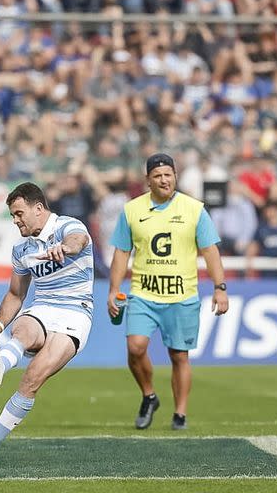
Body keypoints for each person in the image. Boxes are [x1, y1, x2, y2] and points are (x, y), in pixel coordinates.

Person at [0, 182, 94, 467]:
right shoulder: (21, 249)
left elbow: (79, 241)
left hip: (76, 313)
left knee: (32, 379)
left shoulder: (67, 226)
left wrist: (64, 248)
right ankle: (0, 363)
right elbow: (16, 294)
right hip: (44, 307)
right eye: (12, 216)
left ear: (38, 209)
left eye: (18, 213)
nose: (15, 221)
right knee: (22, 328)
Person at [108, 152, 229, 431]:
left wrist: (220, 288)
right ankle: (149, 395)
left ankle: (180, 414)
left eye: (168, 174)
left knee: (179, 355)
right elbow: (121, 252)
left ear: (175, 175)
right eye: (158, 176)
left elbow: (210, 250)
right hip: (143, 293)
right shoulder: (131, 210)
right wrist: (114, 289)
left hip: (182, 296)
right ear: (148, 180)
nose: (164, 180)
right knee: (135, 347)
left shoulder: (194, 209)